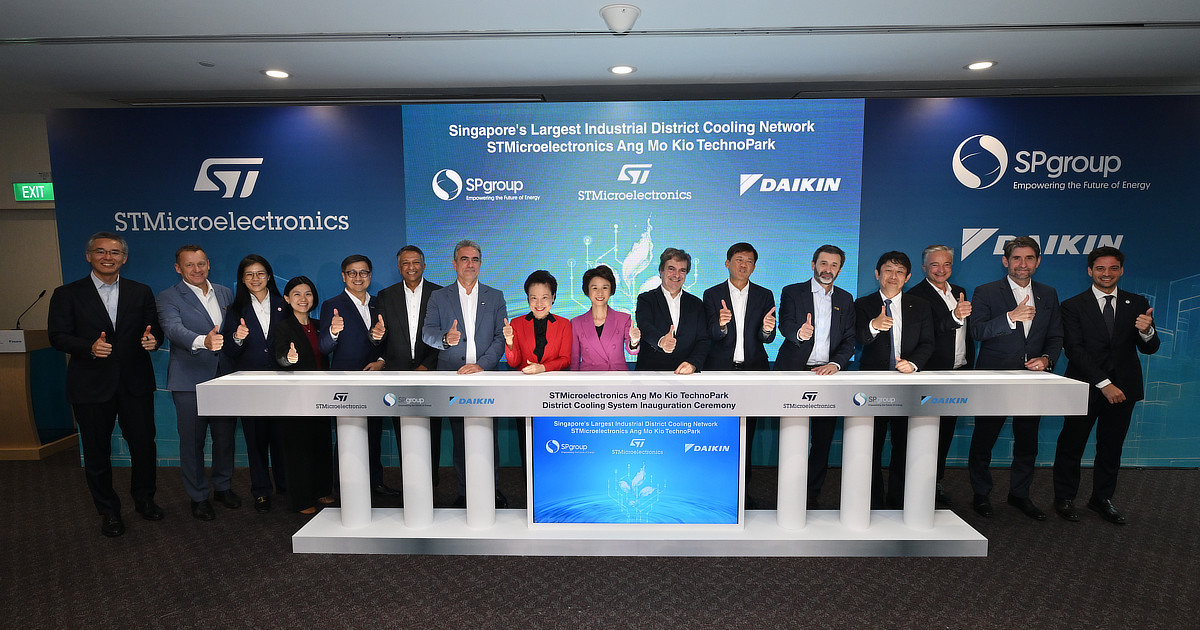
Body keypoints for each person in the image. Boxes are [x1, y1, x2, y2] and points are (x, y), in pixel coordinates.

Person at [48, 231, 163, 537]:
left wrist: (153, 340)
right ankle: (109, 511)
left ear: (124, 259)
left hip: (135, 384)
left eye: (115, 253)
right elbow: (57, 336)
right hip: (90, 385)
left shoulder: (140, 291)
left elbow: (154, 329)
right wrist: (89, 347)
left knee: (144, 446)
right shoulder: (67, 293)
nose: (108, 257)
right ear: (89, 256)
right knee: (97, 452)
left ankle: (145, 500)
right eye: (101, 252)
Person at [1053, 246, 1159, 524]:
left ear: (1121, 271)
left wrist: (1147, 331)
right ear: (1090, 271)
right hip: (1085, 387)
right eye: (1100, 268)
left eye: (1113, 268)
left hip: (1125, 389)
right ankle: (1064, 498)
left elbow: (1150, 348)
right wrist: (1104, 383)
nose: (1107, 273)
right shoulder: (1073, 305)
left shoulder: (1137, 303)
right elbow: (1074, 350)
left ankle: (1102, 498)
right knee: (1071, 445)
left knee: (1111, 447)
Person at [968, 236, 1063, 520]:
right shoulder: (986, 291)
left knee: (1027, 441)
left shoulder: (1048, 293)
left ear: (1038, 262)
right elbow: (977, 331)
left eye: (1029, 258)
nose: (1023, 264)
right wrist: (1011, 317)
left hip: (1033, 380)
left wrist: (1047, 359)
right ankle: (981, 494)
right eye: (1017, 258)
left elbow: (1056, 335)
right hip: (994, 377)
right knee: (984, 440)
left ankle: (1020, 494)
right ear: (1005, 261)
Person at [420, 240, 508, 508]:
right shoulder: (439, 297)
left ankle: (491, 490)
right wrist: (445, 339)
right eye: (464, 259)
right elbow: (427, 333)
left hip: (485, 376)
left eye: (475, 259)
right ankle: (464, 491)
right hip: (452, 376)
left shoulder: (495, 296)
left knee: (487, 436)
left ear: (481, 263)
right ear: (454, 263)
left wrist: (482, 365)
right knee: (460, 437)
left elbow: (500, 337)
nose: (470, 264)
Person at [156, 245, 238, 521]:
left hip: (224, 377)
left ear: (208, 264)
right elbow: (172, 328)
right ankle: (199, 496)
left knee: (224, 438)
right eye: (189, 265)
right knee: (193, 442)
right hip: (189, 379)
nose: (197, 269)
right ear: (178, 268)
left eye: (201, 263)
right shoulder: (168, 296)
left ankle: (223, 487)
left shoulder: (224, 293)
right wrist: (203, 341)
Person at [775, 244, 856, 509]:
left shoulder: (845, 299)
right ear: (813, 265)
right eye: (823, 263)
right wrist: (799, 333)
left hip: (827, 375)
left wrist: (836, 363)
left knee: (822, 439)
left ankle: (811, 493)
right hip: (795, 372)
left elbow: (849, 339)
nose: (827, 269)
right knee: (791, 435)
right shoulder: (792, 291)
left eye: (834, 265)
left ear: (840, 270)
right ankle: (787, 489)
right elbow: (785, 324)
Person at [854, 251, 934, 509]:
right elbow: (857, 339)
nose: (893, 276)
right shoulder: (862, 304)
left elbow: (928, 343)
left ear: (908, 277)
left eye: (900, 272)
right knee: (871, 446)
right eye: (888, 270)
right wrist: (874, 325)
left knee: (904, 445)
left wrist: (913, 364)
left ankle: (899, 500)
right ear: (877, 274)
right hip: (872, 385)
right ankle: (873, 502)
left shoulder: (920, 305)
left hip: (907, 385)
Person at [702, 243, 776, 508]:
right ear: (727, 263)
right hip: (720, 373)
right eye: (739, 259)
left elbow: (767, 338)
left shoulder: (765, 295)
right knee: (719, 435)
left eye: (749, 261)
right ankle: (716, 492)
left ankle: (743, 494)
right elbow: (710, 334)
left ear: (754, 267)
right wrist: (720, 325)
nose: (744, 265)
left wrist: (767, 330)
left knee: (747, 435)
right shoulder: (712, 294)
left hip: (752, 373)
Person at [318, 255, 398, 497]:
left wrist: (382, 361)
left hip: (375, 379)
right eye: (352, 273)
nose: (358, 277)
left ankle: (375, 483)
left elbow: (389, 341)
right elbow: (324, 347)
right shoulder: (332, 305)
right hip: (346, 383)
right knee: (347, 436)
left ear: (370, 276)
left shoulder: (379, 303)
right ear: (344, 276)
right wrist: (333, 332)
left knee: (374, 433)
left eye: (363, 272)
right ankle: (342, 487)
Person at [905, 244, 974, 507]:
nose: (941, 269)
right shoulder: (915, 295)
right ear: (924, 267)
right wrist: (954, 316)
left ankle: (935, 481)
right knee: (924, 433)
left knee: (945, 432)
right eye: (935, 264)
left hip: (958, 372)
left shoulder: (959, 291)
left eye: (946, 264)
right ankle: (916, 485)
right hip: (931, 374)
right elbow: (926, 333)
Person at [221, 254, 288, 513]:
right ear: (242, 279)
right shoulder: (235, 310)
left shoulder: (284, 304)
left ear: (269, 276)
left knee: (282, 438)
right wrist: (237, 338)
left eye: (260, 273)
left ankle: (285, 485)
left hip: (283, 384)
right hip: (251, 385)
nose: (255, 278)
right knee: (256, 440)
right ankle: (261, 490)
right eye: (249, 274)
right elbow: (230, 351)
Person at [373, 245, 443, 487]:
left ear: (424, 265)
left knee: (432, 430)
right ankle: (411, 484)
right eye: (405, 263)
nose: (411, 267)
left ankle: (431, 484)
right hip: (398, 374)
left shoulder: (440, 294)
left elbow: (445, 336)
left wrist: (426, 366)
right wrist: (376, 336)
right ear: (399, 267)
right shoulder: (386, 295)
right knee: (403, 430)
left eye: (415, 262)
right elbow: (378, 335)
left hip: (431, 373)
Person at [274, 276, 335, 514]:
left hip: (321, 395)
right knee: (298, 448)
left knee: (320, 442)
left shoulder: (320, 325)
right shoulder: (283, 327)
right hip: (295, 396)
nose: (303, 299)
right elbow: (280, 356)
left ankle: (321, 490)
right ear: (287, 299)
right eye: (297, 294)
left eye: (308, 293)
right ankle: (301, 500)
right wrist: (288, 359)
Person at [635, 247, 710, 374]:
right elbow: (645, 327)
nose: (676, 275)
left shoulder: (696, 304)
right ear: (661, 271)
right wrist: (661, 341)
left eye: (682, 270)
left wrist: (693, 363)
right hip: (651, 374)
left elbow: (703, 339)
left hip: (686, 375)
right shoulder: (646, 299)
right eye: (671, 269)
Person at [570, 264, 640, 370]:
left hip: (617, 376)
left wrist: (634, 341)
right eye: (595, 288)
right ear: (587, 291)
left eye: (605, 287)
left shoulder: (623, 319)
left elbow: (632, 351)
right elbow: (574, 360)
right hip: (588, 377)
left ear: (611, 290)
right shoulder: (576, 323)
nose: (600, 293)